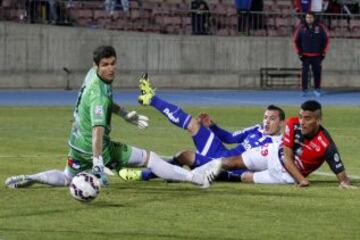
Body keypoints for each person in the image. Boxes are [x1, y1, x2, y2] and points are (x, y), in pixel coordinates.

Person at [5, 46, 219, 189]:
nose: (110, 69)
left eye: (112, 63)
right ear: (96, 65)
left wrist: (124, 114)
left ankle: (31, 178)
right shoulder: (98, 93)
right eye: (105, 65)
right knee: (149, 158)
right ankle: (196, 178)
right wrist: (98, 162)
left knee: (68, 177)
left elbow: (107, 104)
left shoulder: (92, 76)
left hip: (77, 144)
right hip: (97, 147)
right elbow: (98, 129)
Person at [119, 74, 285, 183]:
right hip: (221, 152)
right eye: (265, 118)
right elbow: (230, 138)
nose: (267, 122)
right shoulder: (256, 129)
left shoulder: (278, 145)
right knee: (194, 124)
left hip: (225, 167)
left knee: (183, 155)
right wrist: (213, 126)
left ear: (281, 122)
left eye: (272, 119)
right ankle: (150, 98)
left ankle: (144, 175)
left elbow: (269, 166)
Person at [199, 100, 356, 188]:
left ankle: (207, 175)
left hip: (286, 176)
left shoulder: (327, 146)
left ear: (318, 120)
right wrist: (302, 179)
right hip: (274, 153)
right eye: (301, 116)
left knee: (246, 178)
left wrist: (345, 184)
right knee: (231, 162)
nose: (302, 122)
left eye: (307, 118)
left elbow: (342, 176)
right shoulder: (293, 123)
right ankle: (194, 173)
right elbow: (287, 156)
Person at [293, 12, 330, 97]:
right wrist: (299, 53)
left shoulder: (320, 27)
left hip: (317, 55)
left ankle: (317, 89)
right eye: (307, 17)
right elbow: (296, 41)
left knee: (317, 73)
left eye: (310, 17)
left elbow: (327, 40)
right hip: (305, 56)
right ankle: (304, 90)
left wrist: (324, 52)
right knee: (304, 73)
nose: (309, 19)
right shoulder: (301, 28)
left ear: (314, 18)